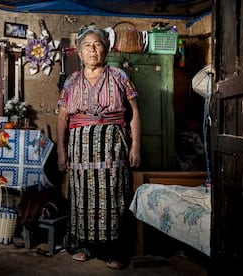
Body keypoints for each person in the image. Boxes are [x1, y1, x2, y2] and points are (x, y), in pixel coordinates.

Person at [56, 23, 141, 270]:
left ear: (106, 50)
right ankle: (83, 246)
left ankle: (114, 251)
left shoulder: (119, 77)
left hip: (113, 147)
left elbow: (134, 113)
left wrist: (136, 147)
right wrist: (62, 152)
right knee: (82, 195)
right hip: (80, 148)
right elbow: (62, 118)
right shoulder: (71, 82)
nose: (92, 50)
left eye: (97, 45)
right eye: (87, 46)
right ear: (79, 53)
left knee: (113, 195)